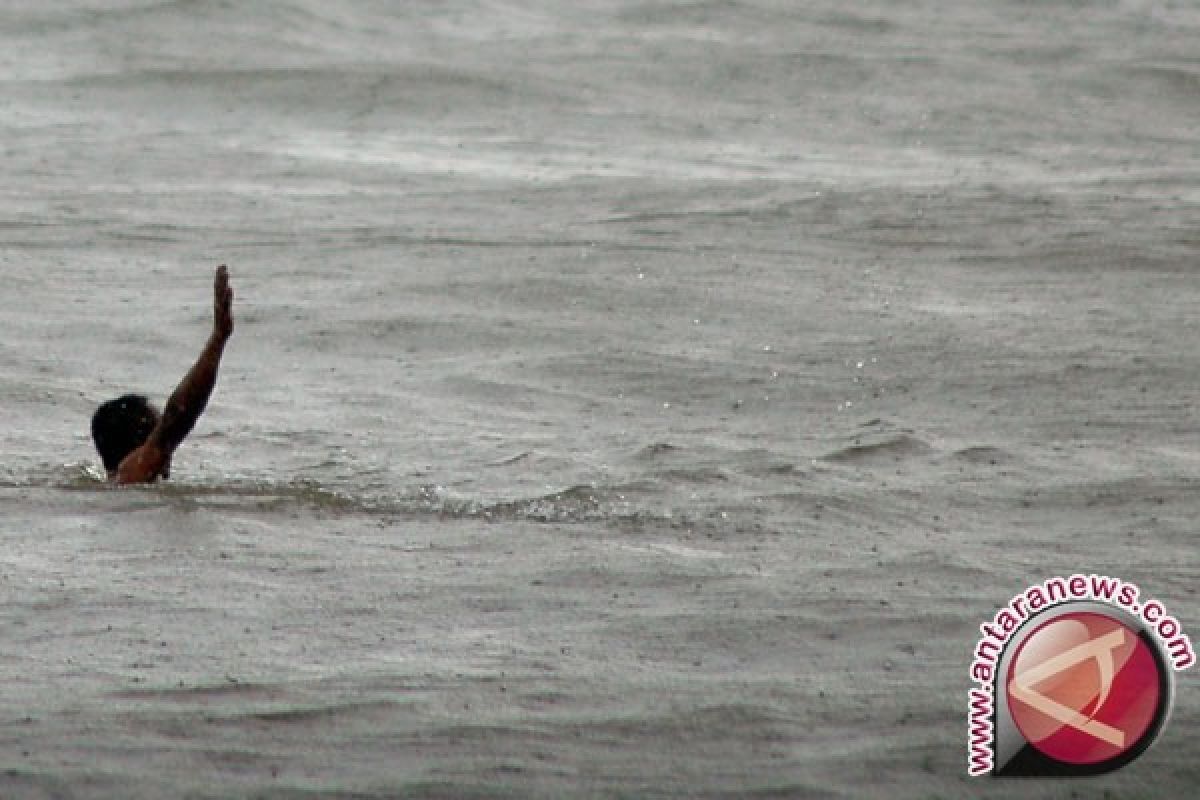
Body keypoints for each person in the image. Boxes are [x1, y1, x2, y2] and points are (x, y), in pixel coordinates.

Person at [91, 265, 234, 484]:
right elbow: (179, 415)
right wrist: (218, 339)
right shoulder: (131, 475)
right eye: (156, 427)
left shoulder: (119, 485)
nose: (171, 451)